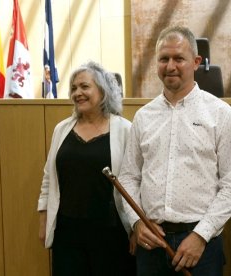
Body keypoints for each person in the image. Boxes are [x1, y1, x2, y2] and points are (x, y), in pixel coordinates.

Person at [119, 26, 231, 275]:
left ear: (196, 62)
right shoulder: (144, 117)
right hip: (152, 243)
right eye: (164, 59)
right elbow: (128, 177)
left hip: (202, 246)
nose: (170, 66)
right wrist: (136, 223)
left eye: (179, 58)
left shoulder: (220, 114)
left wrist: (201, 235)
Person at [37, 61, 137, 275]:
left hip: (111, 234)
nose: (77, 93)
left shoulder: (125, 130)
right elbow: (49, 177)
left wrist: (136, 228)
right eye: (73, 88)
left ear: (103, 90)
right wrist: (44, 218)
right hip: (67, 233)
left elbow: (134, 182)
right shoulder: (61, 129)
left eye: (84, 86)